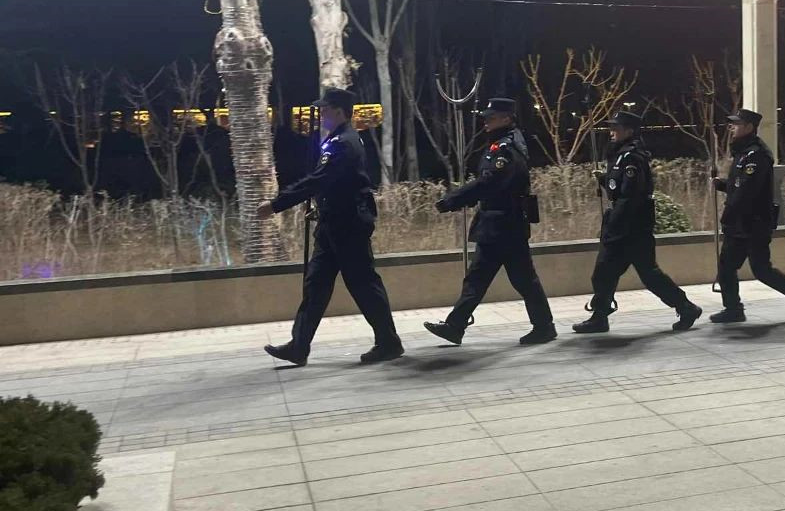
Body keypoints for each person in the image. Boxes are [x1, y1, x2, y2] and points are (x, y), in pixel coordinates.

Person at [257, 87, 402, 367]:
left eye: (325, 108)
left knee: (363, 285)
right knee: (316, 285)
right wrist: (321, 205)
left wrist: (276, 205)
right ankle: (299, 345)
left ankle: (388, 342)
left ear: (338, 111)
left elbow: (319, 180)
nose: (321, 113)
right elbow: (334, 183)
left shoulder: (343, 143)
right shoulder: (339, 139)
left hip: (348, 226)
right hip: (333, 224)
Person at [425, 97, 556, 346]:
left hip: (501, 224)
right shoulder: (506, 143)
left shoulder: (504, 149)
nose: (486, 121)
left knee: (487, 277)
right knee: (513, 278)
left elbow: (489, 183)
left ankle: (456, 326)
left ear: (506, 118)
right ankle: (543, 326)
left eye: (492, 117)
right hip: (504, 223)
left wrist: (454, 199)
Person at [572, 111, 702, 334]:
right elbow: (619, 188)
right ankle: (600, 316)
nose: (612, 132)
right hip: (626, 225)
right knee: (608, 273)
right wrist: (605, 180)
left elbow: (631, 196)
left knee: (641, 273)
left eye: (617, 128)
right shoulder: (621, 155)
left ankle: (685, 307)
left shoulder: (632, 157)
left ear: (629, 131)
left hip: (631, 227)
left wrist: (614, 225)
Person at [709, 109, 785, 324]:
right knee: (727, 266)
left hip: (753, 223)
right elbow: (738, 185)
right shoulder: (743, 152)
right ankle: (733, 308)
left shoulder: (757, 155)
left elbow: (747, 192)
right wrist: (722, 184)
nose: (732, 128)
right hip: (740, 222)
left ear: (749, 127)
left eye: (737, 124)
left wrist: (728, 215)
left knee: (761, 270)